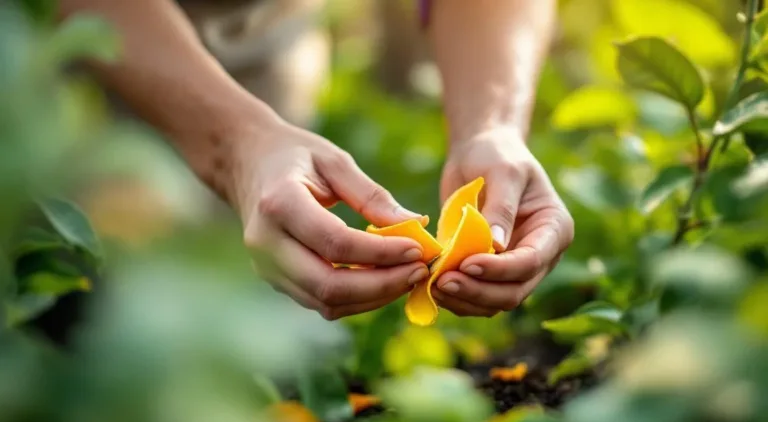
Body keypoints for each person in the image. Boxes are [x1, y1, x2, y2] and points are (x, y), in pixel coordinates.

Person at [58, 0, 574, 320]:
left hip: (263, 39)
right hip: (62, 66)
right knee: (76, 305)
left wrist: (493, 126)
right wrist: (236, 144)